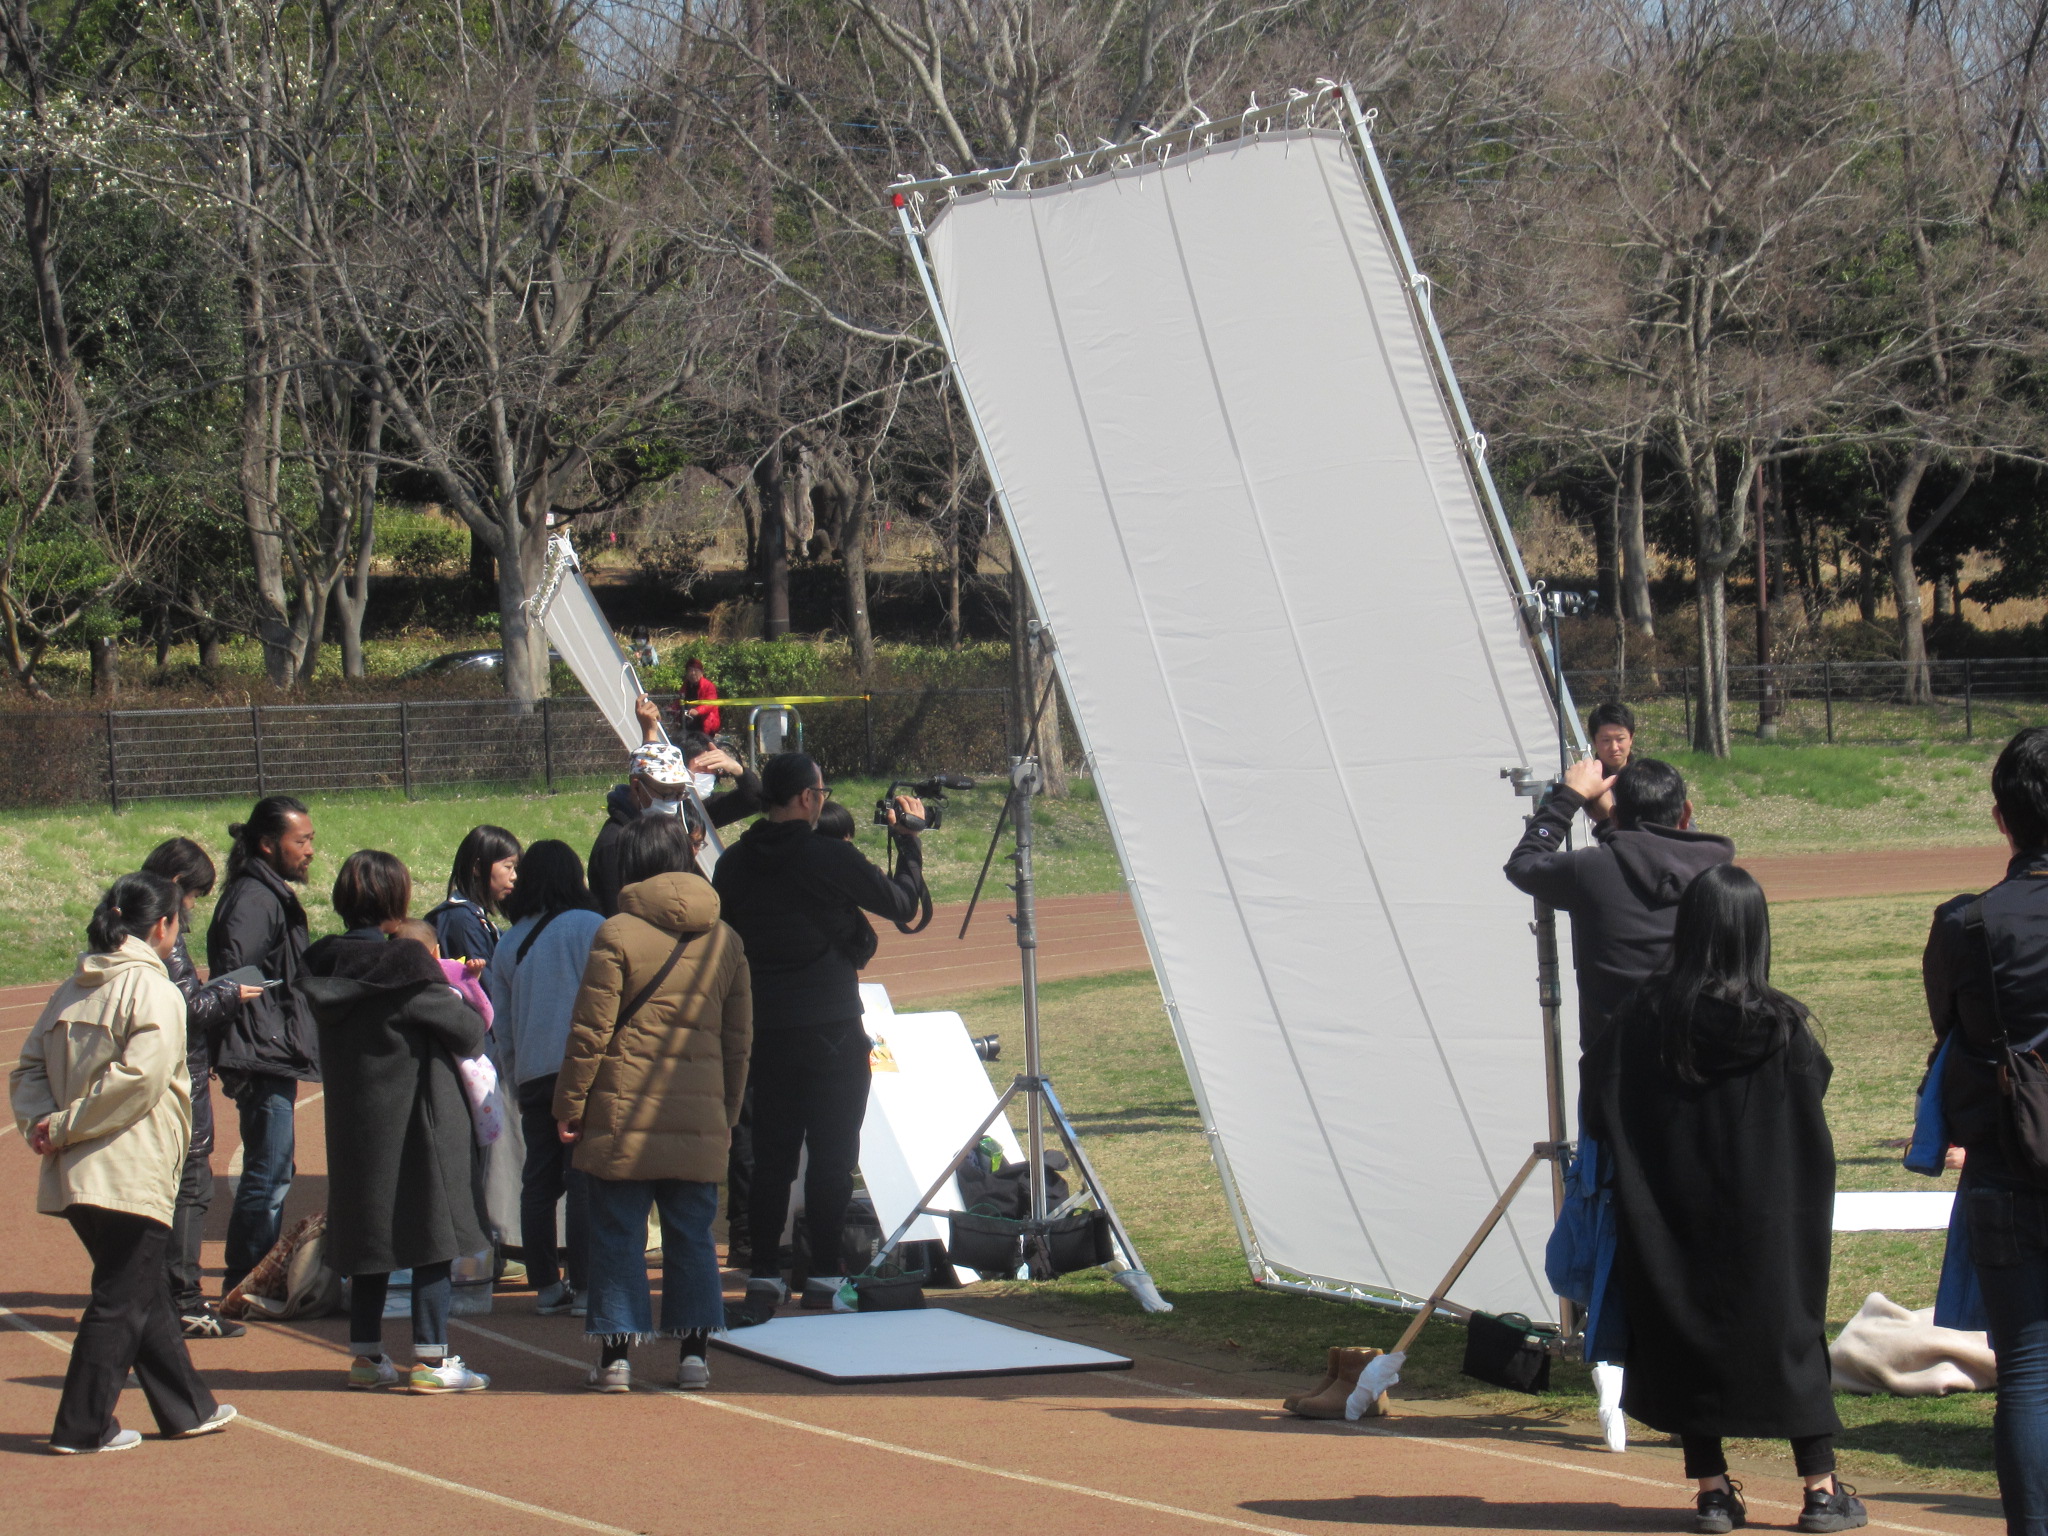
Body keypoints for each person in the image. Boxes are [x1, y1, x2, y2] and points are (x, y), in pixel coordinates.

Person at [1587, 865, 1861, 1534]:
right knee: (1791, 1339)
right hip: (1770, 1215)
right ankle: (1819, 1490)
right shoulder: (1782, 1027)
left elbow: (1599, 1104)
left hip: (1668, 1214)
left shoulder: (1643, 1018)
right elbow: (1811, 1102)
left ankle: (1712, 1492)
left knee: (1685, 1338)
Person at [11, 873, 236, 1453]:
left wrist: (44, 1124)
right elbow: (140, 1078)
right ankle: (83, 1426)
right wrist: (62, 1124)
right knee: (121, 1298)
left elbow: (28, 1068)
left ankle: (188, 1409)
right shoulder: (154, 988)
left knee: (142, 1288)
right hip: (130, 1167)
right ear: (161, 926)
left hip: (77, 1170)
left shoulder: (72, 988)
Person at [713, 752, 923, 1322]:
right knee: (833, 1155)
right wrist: (908, 843)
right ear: (807, 798)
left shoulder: (732, 864)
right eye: (822, 792)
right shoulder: (828, 854)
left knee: (771, 1156)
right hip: (830, 1026)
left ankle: (764, 1274)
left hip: (764, 1028)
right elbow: (902, 904)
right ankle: (825, 1275)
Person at [555, 814, 752, 1392]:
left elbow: (590, 1032)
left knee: (618, 1234)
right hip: (699, 1113)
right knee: (693, 1236)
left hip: (623, 1110)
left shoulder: (616, 932)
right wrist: (728, 1112)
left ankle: (616, 1358)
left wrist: (570, 1103)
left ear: (631, 864)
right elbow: (738, 1041)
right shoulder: (727, 938)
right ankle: (695, 1357)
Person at [301, 850, 491, 1394]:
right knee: (433, 1232)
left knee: (369, 1235)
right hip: (418, 1118)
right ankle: (431, 1358)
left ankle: (365, 1355)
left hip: (355, 1124)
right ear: (397, 900)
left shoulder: (324, 967)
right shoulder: (405, 967)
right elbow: (467, 1030)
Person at [1924, 725, 2048, 1535]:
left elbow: (1952, 1031)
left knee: (2030, 1373)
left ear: (2002, 819)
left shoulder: (1964, 925)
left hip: (2009, 1159)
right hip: (2007, 1163)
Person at [1504, 755, 1734, 1053]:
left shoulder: (1591, 870)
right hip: (1700, 1052)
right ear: (1686, 812)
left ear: (1615, 815)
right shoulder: (1721, 875)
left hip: (1614, 1060)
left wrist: (1569, 798)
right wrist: (1610, 825)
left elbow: (1523, 863)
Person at [138, 838, 264, 1340]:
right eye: (192, 895)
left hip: (168, 1076)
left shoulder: (128, 927)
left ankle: (162, 1297)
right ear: (175, 885)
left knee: (172, 1189)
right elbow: (188, 1008)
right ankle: (184, 1300)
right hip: (180, 1080)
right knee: (191, 1188)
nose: (191, 907)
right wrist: (231, 992)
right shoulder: (163, 936)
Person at [485, 840, 605, 1315]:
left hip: (534, 1072)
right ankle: (588, 1286)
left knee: (538, 1179)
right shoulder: (592, 926)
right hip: (585, 1069)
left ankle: (546, 1286)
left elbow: (502, 1023)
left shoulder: (509, 942)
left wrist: (517, 1077)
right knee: (583, 1178)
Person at [205, 795, 318, 1295]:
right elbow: (235, 976)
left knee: (274, 1169)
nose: (310, 850)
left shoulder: (266, 893)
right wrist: (266, 1034)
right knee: (268, 1172)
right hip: (261, 1052)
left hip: (267, 1047)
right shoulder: (255, 899)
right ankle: (245, 1282)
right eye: (302, 841)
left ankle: (250, 1277)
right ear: (269, 845)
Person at [588, 694, 760, 917]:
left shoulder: (684, 814)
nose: (673, 803)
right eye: (667, 793)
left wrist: (737, 769)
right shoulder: (613, 844)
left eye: (680, 793)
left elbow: (753, 800)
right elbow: (615, 916)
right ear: (636, 787)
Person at [426, 824, 521, 964]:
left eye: (515, 868)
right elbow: (481, 977)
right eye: (508, 867)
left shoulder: (474, 918)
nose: (514, 876)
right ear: (478, 867)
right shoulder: (462, 921)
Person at [1584, 701, 1637, 829]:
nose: (1614, 747)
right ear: (1594, 741)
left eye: (1620, 739)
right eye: (1606, 740)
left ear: (1631, 738)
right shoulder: (1586, 781)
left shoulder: (1647, 777)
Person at [674, 655, 721, 738]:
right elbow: (679, 701)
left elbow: (710, 703)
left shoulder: (709, 686)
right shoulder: (685, 685)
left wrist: (697, 710)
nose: (693, 673)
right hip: (688, 722)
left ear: (701, 673)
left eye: (696, 670)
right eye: (690, 670)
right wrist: (671, 708)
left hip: (705, 722)